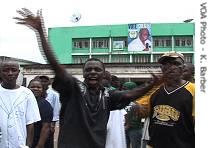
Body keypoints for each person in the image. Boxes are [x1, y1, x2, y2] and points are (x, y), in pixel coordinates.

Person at [14, 8, 159, 148]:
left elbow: (129, 94)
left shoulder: (108, 95)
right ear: (83, 74)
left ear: (103, 74)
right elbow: (56, 65)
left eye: (97, 69)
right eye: (88, 69)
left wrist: (151, 85)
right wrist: (40, 32)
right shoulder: (74, 88)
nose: (93, 72)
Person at [137, 52, 195, 148]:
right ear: (161, 68)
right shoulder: (154, 89)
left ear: (183, 68)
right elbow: (139, 112)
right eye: (166, 64)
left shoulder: (194, 90)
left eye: (175, 63)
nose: (171, 67)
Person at [0, 60, 41, 148]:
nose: (10, 73)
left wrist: (27, 146)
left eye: (13, 70)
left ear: (18, 72)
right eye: (6, 70)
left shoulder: (27, 94)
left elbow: (30, 123)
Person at [35, 75, 60, 148]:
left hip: (48, 121)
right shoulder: (36, 92)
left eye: (45, 81)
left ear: (49, 83)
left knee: (47, 140)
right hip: (37, 120)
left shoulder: (54, 94)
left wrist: (53, 124)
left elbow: (56, 109)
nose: (43, 83)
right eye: (42, 81)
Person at [28, 79, 53, 148]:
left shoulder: (45, 105)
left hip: (39, 142)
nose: (35, 89)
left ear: (42, 90)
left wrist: (40, 145)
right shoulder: (27, 102)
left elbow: (46, 127)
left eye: (38, 87)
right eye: (32, 87)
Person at [123, 81, 144, 148]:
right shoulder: (122, 99)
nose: (123, 90)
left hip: (135, 128)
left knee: (135, 146)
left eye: (125, 89)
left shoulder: (139, 100)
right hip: (123, 128)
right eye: (123, 89)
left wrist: (128, 125)